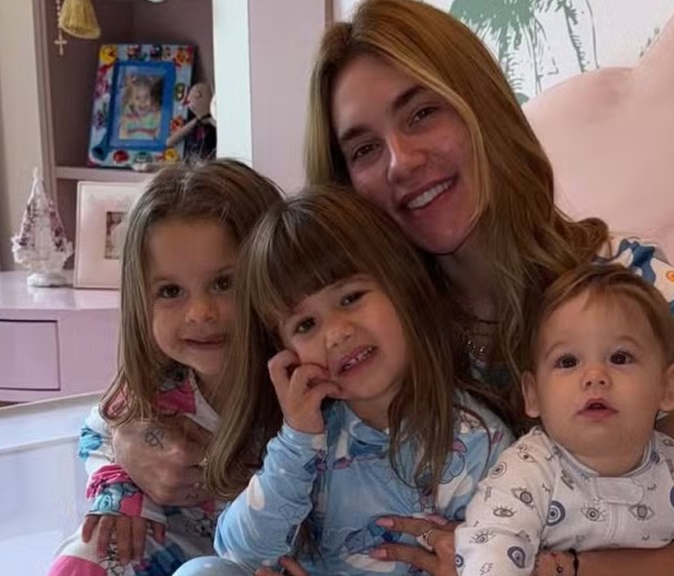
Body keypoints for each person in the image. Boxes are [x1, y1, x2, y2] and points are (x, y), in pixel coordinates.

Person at [113, 1, 674, 574]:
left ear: (482, 108)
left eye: (422, 113)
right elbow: (185, 390)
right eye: (364, 149)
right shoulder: (370, 321)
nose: (402, 161)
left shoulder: (642, 296)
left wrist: (544, 570)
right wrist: (121, 457)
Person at [172, 187, 513, 575]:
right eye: (306, 325)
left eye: (350, 298)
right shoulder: (306, 437)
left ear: (404, 287)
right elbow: (238, 553)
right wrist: (297, 442)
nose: (335, 333)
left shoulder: (481, 443)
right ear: (286, 355)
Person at [455, 263, 674, 576]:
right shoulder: (527, 475)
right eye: (568, 362)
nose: (594, 376)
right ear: (533, 395)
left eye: (620, 358)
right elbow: (490, 550)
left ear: (667, 387)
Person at [47, 160, 284, 575]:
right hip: (173, 543)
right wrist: (120, 486)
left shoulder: (303, 391)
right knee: (87, 553)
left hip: (268, 559)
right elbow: (97, 433)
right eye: (171, 290)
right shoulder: (156, 386)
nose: (200, 312)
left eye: (224, 283)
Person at [118, 73, 163, 141]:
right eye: (138, 98)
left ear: (151, 99)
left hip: (149, 146)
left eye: (146, 97)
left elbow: (160, 132)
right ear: (132, 101)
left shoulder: (154, 117)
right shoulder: (128, 117)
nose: (142, 102)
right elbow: (122, 133)